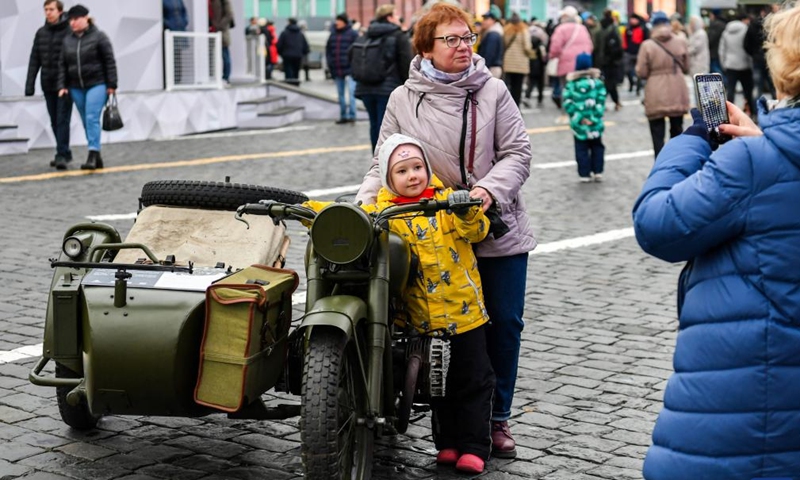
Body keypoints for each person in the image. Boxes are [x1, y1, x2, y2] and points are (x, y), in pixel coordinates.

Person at [354, 3, 535, 459]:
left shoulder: (492, 90)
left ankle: (496, 419)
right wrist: (363, 205)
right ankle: (451, 425)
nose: (462, 46)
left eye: (467, 37)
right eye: (451, 39)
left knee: (503, 324)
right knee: (441, 334)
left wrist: (488, 192)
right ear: (426, 47)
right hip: (426, 233)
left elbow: (517, 152)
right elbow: (383, 160)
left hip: (489, 224)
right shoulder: (402, 98)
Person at [633, 5, 800, 479]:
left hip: (750, 402)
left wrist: (694, 138)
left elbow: (657, 223)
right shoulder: (765, 154)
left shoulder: (753, 163)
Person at [306, 133, 495, 473]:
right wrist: (311, 210)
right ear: (388, 179)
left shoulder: (448, 202)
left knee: (473, 381)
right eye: (402, 171)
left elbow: (477, 232)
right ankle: (448, 443)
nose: (413, 176)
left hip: (466, 315)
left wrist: (468, 210)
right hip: (421, 321)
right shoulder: (382, 214)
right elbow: (347, 216)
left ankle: (475, 446)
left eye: (418, 167)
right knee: (438, 384)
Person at [57, 4, 117, 171]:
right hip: (75, 86)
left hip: (97, 84)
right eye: (71, 20)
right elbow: (62, 64)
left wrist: (112, 84)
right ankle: (96, 156)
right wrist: (62, 85)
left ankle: (92, 153)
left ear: (86, 18)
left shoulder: (99, 37)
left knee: (91, 117)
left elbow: (109, 60)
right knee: (86, 120)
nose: (73, 23)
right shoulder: (67, 40)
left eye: (76, 19)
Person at [353, 4, 412, 152]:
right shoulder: (398, 35)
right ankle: (384, 162)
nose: (398, 17)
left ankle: (377, 158)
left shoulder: (366, 34)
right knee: (387, 127)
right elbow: (406, 63)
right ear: (389, 17)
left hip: (365, 88)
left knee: (374, 125)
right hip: (388, 89)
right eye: (396, 14)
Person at [25, 0, 73, 170]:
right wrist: (29, 84)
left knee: (62, 120)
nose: (48, 12)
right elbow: (34, 59)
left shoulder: (69, 31)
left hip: (65, 85)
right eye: (46, 10)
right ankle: (65, 151)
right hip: (47, 83)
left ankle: (61, 154)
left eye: (51, 9)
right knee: (54, 120)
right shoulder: (41, 33)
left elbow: (72, 59)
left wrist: (68, 82)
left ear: (60, 11)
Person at [636, 11, 689, 159]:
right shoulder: (680, 41)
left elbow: (641, 71)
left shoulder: (647, 45)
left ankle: (660, 164)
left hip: (655, 89)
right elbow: (686, 67)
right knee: (677, 129)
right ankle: (677, 161)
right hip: (677, 87)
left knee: (657, 133)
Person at [563, 52, 606, 183]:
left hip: (578, 122)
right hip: (595, 123)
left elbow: (567, 102)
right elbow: (601, 101)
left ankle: (584, 173)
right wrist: (593, 117)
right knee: (597, 146)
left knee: (581, 148)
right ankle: (597, 171)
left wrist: (578, 117)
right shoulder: (597, 83)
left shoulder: (572, 84)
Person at [548, 6, 593, 110]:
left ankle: (567, 112)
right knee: (581, 87)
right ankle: (581, 109)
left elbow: (555, 47)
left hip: (566, 64)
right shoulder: (582, 28)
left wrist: (551, 56)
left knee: (566, 88)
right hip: (582, 64)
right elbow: (590, 46)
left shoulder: (560, 29)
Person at [719, 12, 756, 117]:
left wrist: (724, 64)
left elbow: (722, 50)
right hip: (745, 64)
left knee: (730, 90)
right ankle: (753, 113)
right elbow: (749, 46)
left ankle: (728, 113)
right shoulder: (746, 30)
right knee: (748, 90)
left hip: (730, 64)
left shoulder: (726, 32)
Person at [325, 13, 359, 124]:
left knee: (351, 93)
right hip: (337, 68)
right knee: (340, 95)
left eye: (338, 20)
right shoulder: (333, 34)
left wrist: (355, 66)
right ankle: (343, 115)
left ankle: (352, 115)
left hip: (350, 69)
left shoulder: (353, 34)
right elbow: (328, 51)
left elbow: (357, 51)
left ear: (344, 22)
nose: (336, 22)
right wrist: (330, 65)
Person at [594, 9, 624, 111]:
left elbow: (595, 45)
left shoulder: (599, 27)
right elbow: (619, 44)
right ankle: (612, 102)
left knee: (606, 82)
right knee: (610, 83)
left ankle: (606, 102)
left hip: (601, 59)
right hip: (612, 60)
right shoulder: (614, 28)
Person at [502, 12, 533, 107]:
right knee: (518, 86)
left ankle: (508, 106)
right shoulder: (524, 30)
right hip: (520, 63)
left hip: (508, 62)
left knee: (509, 85)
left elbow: (504, 44)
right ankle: (516, 106)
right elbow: (527, 47)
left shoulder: (506, 30)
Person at [277, 18, 310, 86]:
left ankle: (289, 86)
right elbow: (305, 46)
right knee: (296, 71)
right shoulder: (300, 34)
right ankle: (295, 85)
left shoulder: (284, 33)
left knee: (288, 71)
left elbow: (279, 45)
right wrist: (302, 54)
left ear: (289, 23)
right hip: (298, 56)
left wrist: (281, 54)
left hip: (287, 56)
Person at [622, 13, 648, 96]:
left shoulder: (643, 28)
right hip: (629, 52)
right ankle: (631, 83)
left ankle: (638, 87)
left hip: (639, 53)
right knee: (628, 70)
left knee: (639, 71)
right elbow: (625, 40)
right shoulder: (628, 29)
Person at [209, 0, 234, 83]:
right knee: (211, 55)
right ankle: (211, 76)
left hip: (221, 32)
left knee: (225, 54)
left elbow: (229, 14)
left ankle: (226, 77)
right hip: (210, 31)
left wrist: (218, 26)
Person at [476, 5, 503, 78]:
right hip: (491, 68)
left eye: (486, 19)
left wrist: (481, 70)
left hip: (490, 69)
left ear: (493, 20)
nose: (483, 21)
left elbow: (488, 55)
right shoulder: (492, 32)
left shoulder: (493, 34)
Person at [525, 19, 548, 106]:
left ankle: (527, 96)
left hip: (531, 65)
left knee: (531, 82)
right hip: (540, 66)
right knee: (540, 83)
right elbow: (544, 56)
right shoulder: (540, 45)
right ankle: (540, 98)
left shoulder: (529, 36)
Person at [706, 9, 727, 79]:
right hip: (719, 51)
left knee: (716, 70)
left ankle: (723, 84)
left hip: (714, 52)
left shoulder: (716, 25)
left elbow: (711, 39)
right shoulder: (723, 24)